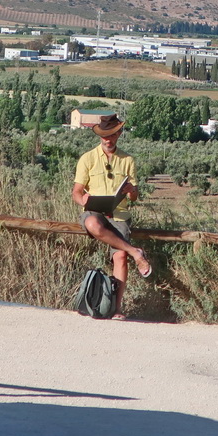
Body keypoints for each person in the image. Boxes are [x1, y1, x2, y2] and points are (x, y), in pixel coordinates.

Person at [72, 114, 152, 319]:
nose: (108, 140)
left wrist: (130, 189)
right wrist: (84, 200)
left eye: (112, 135)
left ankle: (116, 309)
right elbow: (76, 192)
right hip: (94, 211)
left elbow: (134, 196)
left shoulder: (128, 160)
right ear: (99, 136)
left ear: (119, 134)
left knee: (120, 256)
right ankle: (136, 253)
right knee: (92, 224)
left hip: (118, 213)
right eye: (104, 136)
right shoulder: (87, 158)